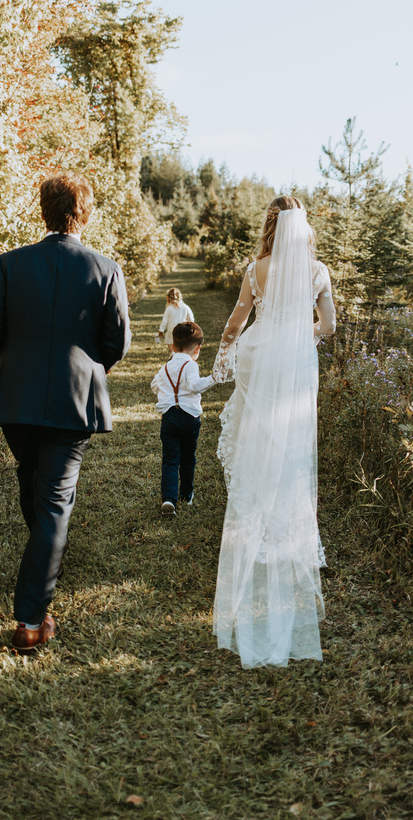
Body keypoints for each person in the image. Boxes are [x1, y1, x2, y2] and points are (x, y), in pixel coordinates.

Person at [0, 172, 131, 654]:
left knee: (38, 491)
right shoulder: (105, 270)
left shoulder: (10, 264)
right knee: (51, 505)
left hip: (18, 399)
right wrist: (84, 366)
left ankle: (36, 602)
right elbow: (117, 341)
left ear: (44, 211)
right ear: (84, 214)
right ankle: (28, 620)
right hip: (73, 398)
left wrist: (18, 361)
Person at [211, 196, 336, 668]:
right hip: (296, 362)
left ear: (270, 227)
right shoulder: (318, 271)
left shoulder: (254, 269)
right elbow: (329, 326)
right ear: (301, 227)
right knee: (292, 445)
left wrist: (225, 351)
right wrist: (300, 332)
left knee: (259, 438)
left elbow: (235, 322)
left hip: (259, 357)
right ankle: (285, 527)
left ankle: (257, 517)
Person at [151, 321, 216, 516]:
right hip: (189, 417)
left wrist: (167, 394)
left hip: (169, 417)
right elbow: (195, 386)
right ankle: (186, 495)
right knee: (188, 458)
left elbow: (155, 385)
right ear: (197, 348)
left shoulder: (166, 367)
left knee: (170, 460)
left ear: (172, 346)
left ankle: (169, 499)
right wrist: (214, 378)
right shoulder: (191, 365)